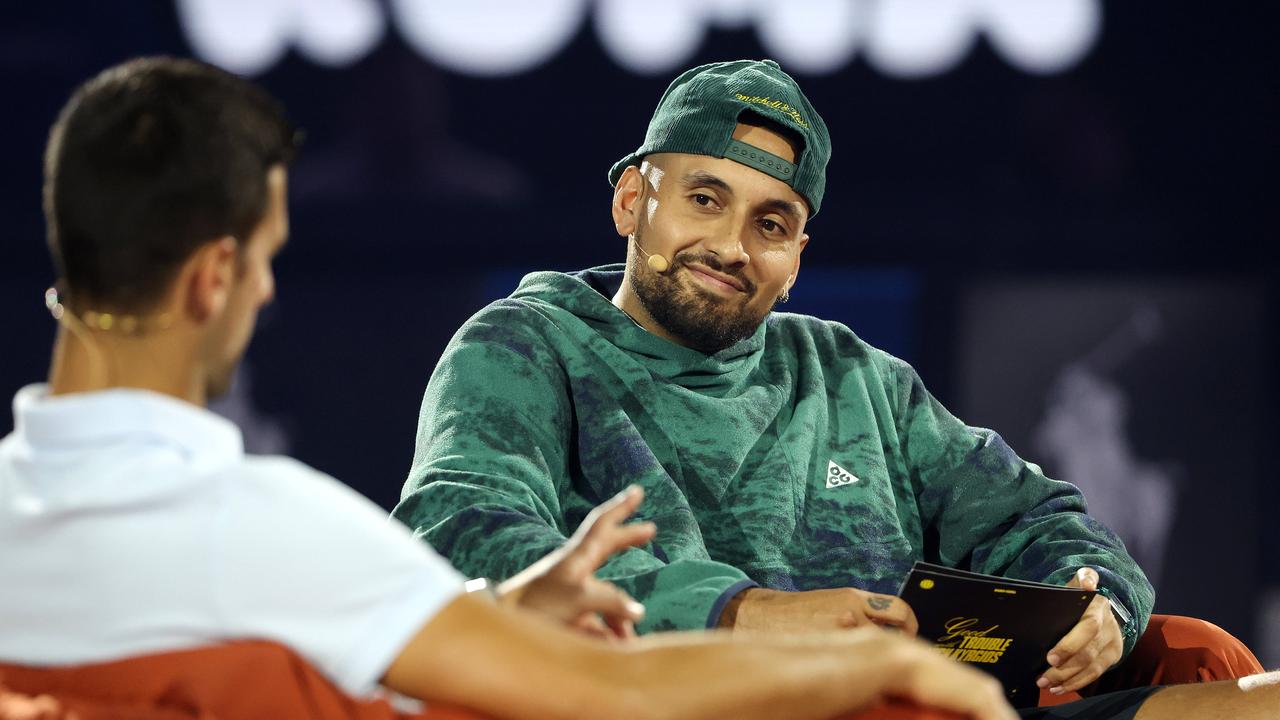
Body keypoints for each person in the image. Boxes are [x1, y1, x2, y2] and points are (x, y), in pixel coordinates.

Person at [0, 55, 1028, 720]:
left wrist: (510, 604)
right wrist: (880, 669)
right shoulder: (272, 531)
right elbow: (607, 694)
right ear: (213, 277)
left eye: (769, 219)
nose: (268, 286)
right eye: (268, 256)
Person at [394, 58, 1262, 703]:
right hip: (694, 700)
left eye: (771, 223)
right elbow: (461, 534)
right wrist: (741, 611)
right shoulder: (526, 344)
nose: (732, 247)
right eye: (704, 199)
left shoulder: (852, 375)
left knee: (1203, 656)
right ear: (632, 202)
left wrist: (1095, 600)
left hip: (918, 703)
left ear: (798, 256)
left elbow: (1033, 515)